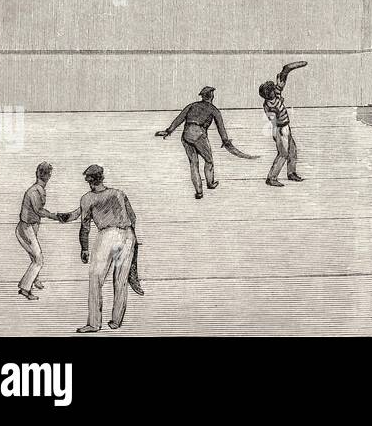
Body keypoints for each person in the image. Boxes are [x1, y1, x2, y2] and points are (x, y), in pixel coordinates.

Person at [64, 165, 139, 333]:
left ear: (89, 181)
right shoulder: (118, 193)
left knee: (96, 278)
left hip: (107, 236)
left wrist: (84, 249)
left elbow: (85, 227)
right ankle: (116, 321)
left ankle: (94, 323)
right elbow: (133, 217)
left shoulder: (87, 198)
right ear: (102, 177)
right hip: (128, 235)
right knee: (120, 280)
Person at [156, 85, 235, 199]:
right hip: (199, 135)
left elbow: (179, 118)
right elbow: (221, 128)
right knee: (209, 161)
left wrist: (168, 131)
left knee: (194, 164)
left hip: (186, 135)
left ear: (202, 96)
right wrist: (225, 141)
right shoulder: (213, 110)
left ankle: (199, 192)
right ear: (212, 96)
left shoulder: (192, 105)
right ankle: (210, 183)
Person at [15, 162, 71, 301]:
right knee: (38, 259)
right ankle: (25, 288)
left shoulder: (39, 189)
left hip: (31, 227)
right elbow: (39, 210)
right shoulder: (35, 191)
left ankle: (34, 279)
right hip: (25, 228)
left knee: (34, 256)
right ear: (48, 175)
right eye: (49, 173)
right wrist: (56, 216)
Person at [260, 61, 307, 187]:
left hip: (286, 127)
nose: (275, 89)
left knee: (293, 151)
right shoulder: (269, 105)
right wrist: (276, 134)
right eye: (272, 90)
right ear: (268, 94)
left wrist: (286, 70)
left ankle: (291, 173)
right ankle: (272, 177)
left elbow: (281, 80)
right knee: (283, 154)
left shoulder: (275, 95)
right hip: (281, 130)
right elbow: (273, 121)